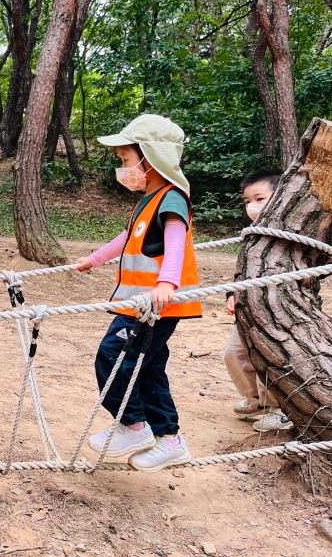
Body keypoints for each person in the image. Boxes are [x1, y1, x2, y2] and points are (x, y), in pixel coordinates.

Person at [75, 114, 201, 472]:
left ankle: (133, 426)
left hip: (156, 303)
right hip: (141, 303)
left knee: (111, 355)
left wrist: (167, 284)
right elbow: (128, 238)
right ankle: (170, 440)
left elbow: (176, 243)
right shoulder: (149, 199)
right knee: (149, 368)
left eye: (126, 159)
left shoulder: (171, 198)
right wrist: (96, 259)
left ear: (151, 157)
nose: (123, 168)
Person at [223, 170, 292, 432]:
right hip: (248, 307)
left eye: (260, 198)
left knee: (269, 357)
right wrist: (232, 294)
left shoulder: (289, 233)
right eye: (247, 200)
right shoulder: (251, 234)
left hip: (277, 310)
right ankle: (256, 400)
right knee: (234, 354)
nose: (252, 205)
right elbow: (242, 270)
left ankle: (280, 408)